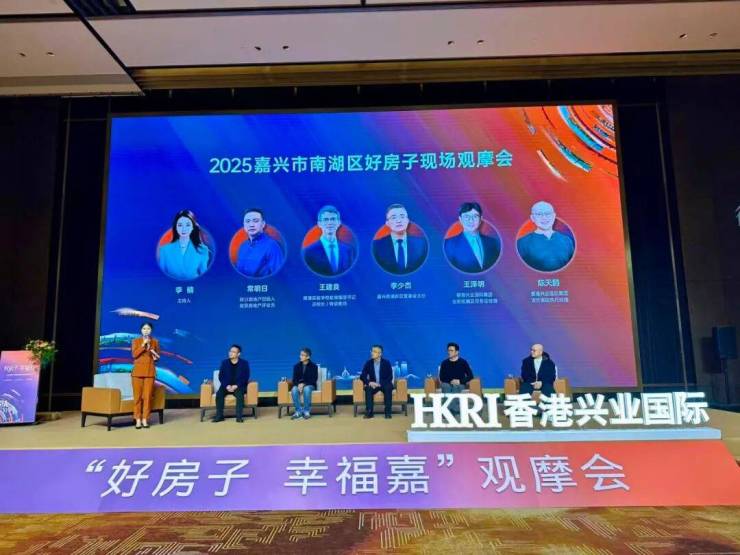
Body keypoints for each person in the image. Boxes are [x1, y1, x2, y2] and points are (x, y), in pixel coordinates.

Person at [516, 201, 575, 272]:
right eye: (539, 214)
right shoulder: (522, 243)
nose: (544, 217)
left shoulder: (567, 240)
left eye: (548, 214)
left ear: (554, 216)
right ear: (532, 218)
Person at [444, 202, 501, 273]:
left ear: (480, 219)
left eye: (475, 216)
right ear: (460, 219)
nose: (471, 220)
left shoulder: (493, 243)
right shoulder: (449, 244)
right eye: (466, 217)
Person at [372, 204, 428, 275]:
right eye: (393, 217)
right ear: (387, 223)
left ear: (407, 221)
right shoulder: (378, 246)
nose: (398, 221)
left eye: (402, 216)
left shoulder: (420, 244)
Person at [302, 205, 355, 276]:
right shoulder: (309, 251)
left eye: (333, 219)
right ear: (319, 224)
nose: (329, 223)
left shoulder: (348, 250)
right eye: (326, 219)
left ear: (338, 223)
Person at [157, 210, 210, 280]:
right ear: (175, 227)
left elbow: (204, 276)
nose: (183, 229)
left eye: (187, 225)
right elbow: (161, 277)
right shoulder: (164, 250)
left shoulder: (202, 250)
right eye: (180, 225)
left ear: (193, 227)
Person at [236, 208, 285, 278]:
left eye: (255, 221)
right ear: (244, 225)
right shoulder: (243, 246)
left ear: (263, 224)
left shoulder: (272, 246)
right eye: (247, 221)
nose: (251, 225)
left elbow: (280, 276)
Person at [130, 322, 160, 429]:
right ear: (141, 330)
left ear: (151, 330)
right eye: (144, 328)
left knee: (147, 397)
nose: (146, 331)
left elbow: (157, 357)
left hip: (149, 372)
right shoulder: (136, 341)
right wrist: (143, 345)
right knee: (137, 397)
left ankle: (145, 419)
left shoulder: (155, 342)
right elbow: (134, 355)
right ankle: (137, 419)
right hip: (137, 373)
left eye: (148, 329)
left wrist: (155, 355)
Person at [213, 344, 251, 422]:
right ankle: (219, 416)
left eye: (233, 352)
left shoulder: (244, 363)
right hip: (226, 386)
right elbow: (221, 376)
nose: (230, 353)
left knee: (240, 396)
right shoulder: (224, 362)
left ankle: (239, 417)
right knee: (219, 394)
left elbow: (246, 377)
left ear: (238, 354)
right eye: (230, 351)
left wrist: (236, 385)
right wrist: (227, 385)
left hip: (238, 386)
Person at [359, 344, 394, 419]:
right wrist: (369, 382)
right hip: (373, 384)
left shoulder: (386, 363)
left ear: (380, 354)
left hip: (384, 384)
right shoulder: (368, 363)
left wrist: (380, 384)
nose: (372, 353)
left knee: (388, 387)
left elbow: (390, 377)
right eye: (372, 351)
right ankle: (369, 412)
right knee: (368, 388)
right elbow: (362, 375)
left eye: (374, 351)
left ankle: (388, 412)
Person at [438, 342, 474, 414]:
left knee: (456, 387)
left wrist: (459, 381)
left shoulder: (463, 362)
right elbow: (442, 377)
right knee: (446, 387)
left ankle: (448, 410)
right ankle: (454, 410)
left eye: (451, 350)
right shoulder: (444, 363)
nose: (449, 352)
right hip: (447, 383)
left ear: (457, 352)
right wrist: (451, 381)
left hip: (459, 384)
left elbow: (470, 376)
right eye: (448, 350)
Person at [290, 347, 319, 419]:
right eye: (300, 355)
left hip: (310, 385)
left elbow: (313, 379)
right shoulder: (296, 366)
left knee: (306, 389)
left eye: (302, 355)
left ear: (308, 357)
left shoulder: (314, 367)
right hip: (298, 385)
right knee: (294, 389)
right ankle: (298, 411)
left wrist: (304, 384)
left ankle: (306, 411)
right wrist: (298, 384)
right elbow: (294, 379)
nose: (300, 356)